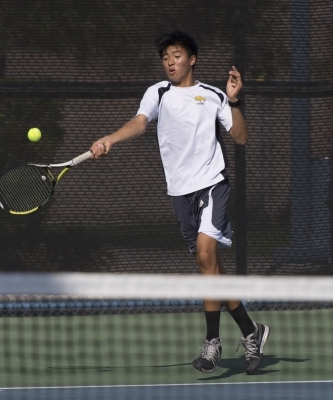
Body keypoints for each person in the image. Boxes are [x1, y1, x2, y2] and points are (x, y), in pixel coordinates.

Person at [89, 30, 269, 375]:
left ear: (192, 59)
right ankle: (251, 331)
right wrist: (110, 139)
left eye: (176, 56)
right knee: (210, 268)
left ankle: (212, 342)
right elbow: (139, 123)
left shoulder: (214, 95)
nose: (170, 62)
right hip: (180, 193)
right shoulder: (158, 93)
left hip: (212, 184)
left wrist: (234, 100)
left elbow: (242, 138)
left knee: (205, 255)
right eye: (166, 58)